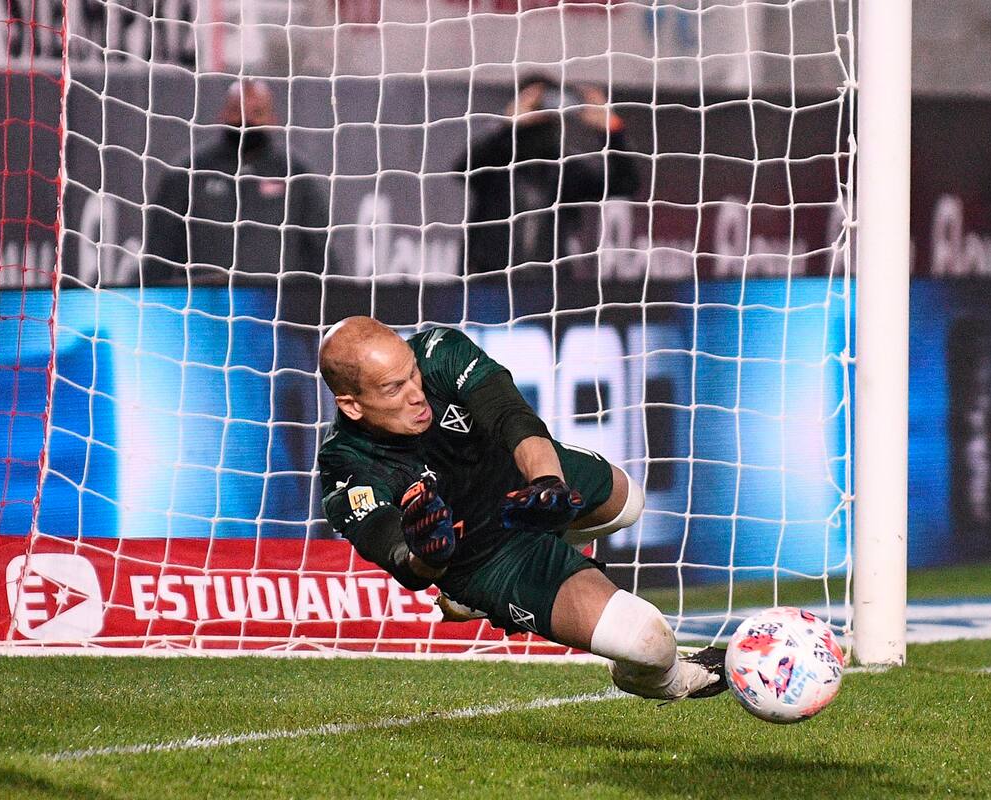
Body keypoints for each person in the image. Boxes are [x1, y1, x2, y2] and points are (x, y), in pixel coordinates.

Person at [316, 317, 725, 701]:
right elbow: (399, 556)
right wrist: (429, 556)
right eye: (393, 388)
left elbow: (512, 416)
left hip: (519, 484)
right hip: (485, 557)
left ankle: (548, 525)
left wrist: (547, 484)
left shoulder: (440, 351)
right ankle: (668, 680)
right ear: (352, 405)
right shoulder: (345, 465)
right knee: (648, 641)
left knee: (628, 502)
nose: (416, 394)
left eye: (412, 372)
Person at [143, 78, 333, 280]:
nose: (245, 120)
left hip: (277, 297)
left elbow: (321, 251)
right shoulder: (188, 170)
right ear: (222, 115)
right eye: (237, 110)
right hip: (204, 296)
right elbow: (159, 248)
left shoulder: (296, 173)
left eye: (256, 113)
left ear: (273, 119)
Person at [455, 76, 640, 274]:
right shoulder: (497, 157)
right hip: (489, 277)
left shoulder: (565, 166)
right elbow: (463, 168)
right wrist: (509, 125)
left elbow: (625, 183)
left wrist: (612, 131)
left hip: (548, 280)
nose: (539, 108)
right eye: (533, 102)